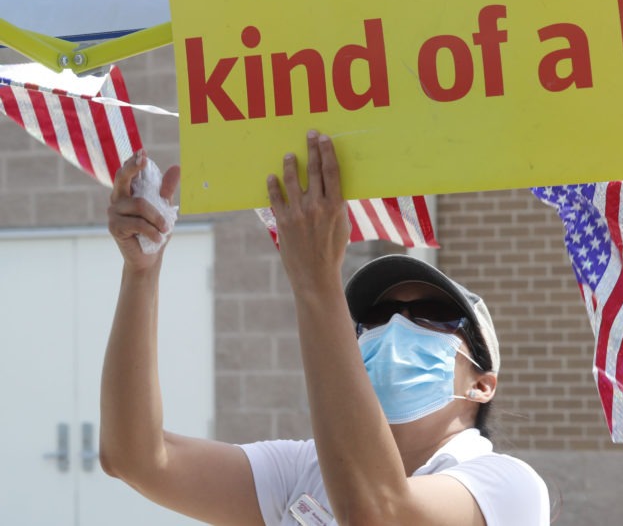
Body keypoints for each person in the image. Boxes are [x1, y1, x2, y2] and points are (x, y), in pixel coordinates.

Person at [100, 130, 550, 525]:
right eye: (376, 316)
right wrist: (141, 272)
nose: (395, 325)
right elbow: (135, 458)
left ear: (482, 384)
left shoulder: (508, 486)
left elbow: (376, 513)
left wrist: (316, 282)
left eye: (431, 313)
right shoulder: (303, 470)